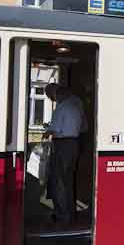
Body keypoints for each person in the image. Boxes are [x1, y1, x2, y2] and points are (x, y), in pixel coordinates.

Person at [44, 84, 87, 224]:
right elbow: (83, 127)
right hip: (74, 143)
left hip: (62, 145)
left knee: (59, 181)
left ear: (55, 94)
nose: (52, 100)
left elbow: (55, 129)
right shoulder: (77, 104)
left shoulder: (61, 108)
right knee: (68, 181)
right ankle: (70, 214)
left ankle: (62, 215)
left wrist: (47, 132)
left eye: (51, 97)